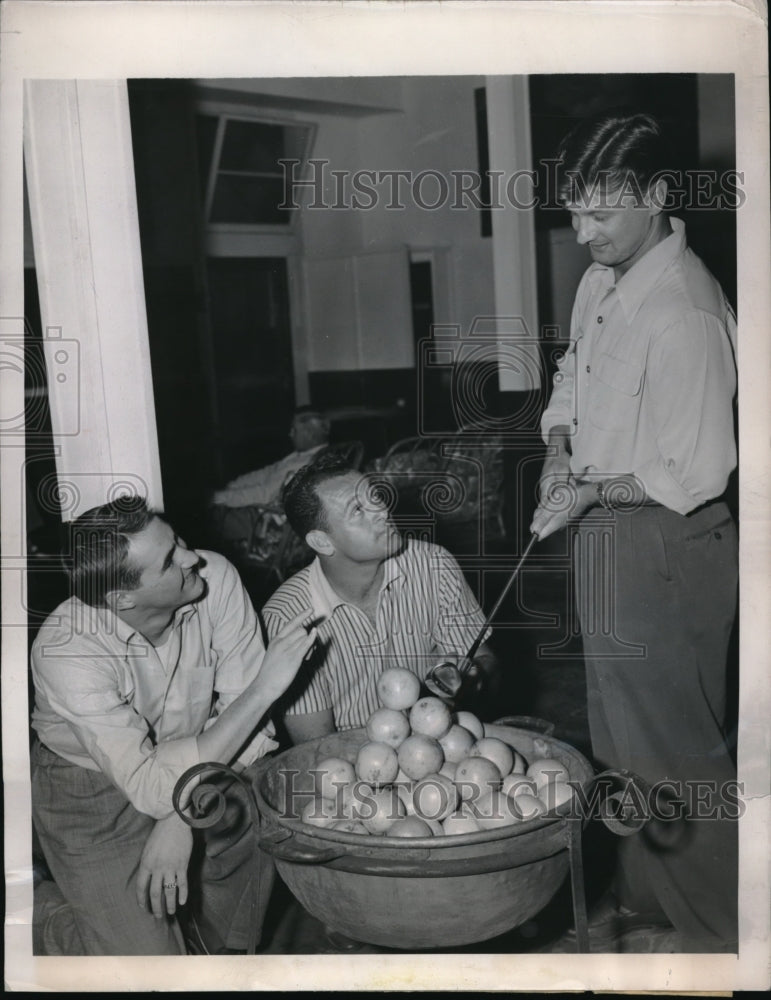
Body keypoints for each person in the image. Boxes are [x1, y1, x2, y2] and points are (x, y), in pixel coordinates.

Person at [530, 111, 738, 951]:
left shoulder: (683, 309)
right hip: (606, 532)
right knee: (619, 737)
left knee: (673, 758)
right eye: (574, 213)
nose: (583, 235)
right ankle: (653, 908)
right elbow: (570, 380)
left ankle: (725, 934)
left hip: (663, 543)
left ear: (656, 197)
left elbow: (696, 474)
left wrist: (584, 495)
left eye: (602, 214)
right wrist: (555, 450)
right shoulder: (600, 282)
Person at [30, 495, 316, 955]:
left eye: (177, 539)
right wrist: (264, 689)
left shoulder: (214, 577)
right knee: (150, 972)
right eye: (169, 561)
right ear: (122, 598)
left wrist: (179, 819)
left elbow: (255, 735)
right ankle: (39, 910)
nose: (192, 557)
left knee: (261, 793)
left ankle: (214, 951)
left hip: (199, 755)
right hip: (86, 785)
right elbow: (148, 784)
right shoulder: (65, 651)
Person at [261, 460, 499, 744]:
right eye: (358, 510)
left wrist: (473, 675)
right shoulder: (286, 619)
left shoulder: (433, 565)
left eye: (374, 496)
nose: (383, 511)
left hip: (440, 745)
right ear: (323, 542)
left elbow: (489, 666)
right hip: (353, 765)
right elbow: (318, 750)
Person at [212, 407, 331, 509]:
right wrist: (233, 486)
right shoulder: (300, 455)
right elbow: (267, 472)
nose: (290, 434)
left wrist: (218, 497)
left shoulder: (310, 462)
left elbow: (265, 494)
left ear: (309, 433)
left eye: (294, 429)